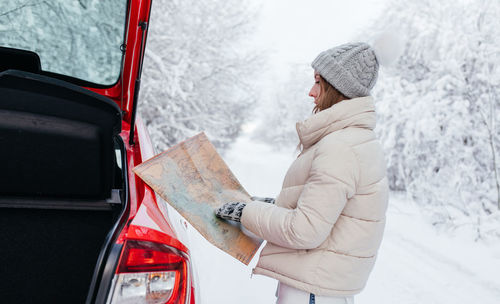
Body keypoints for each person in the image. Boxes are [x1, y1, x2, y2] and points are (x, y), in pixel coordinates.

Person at [215, 38, 399, 304]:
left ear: (336, 88)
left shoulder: (340, 147)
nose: (311, 92)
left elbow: (304, 230)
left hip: (312, 291)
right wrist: (272, 206)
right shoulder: (354, 140)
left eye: (317, 82)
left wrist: (247, 213)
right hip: (319, 286)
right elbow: (322, 210)